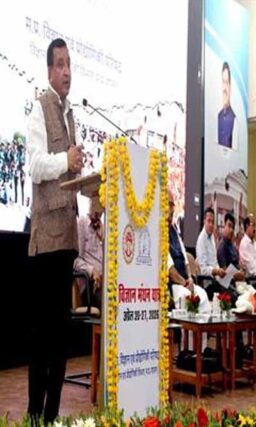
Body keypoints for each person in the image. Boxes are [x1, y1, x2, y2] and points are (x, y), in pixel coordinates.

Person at [26, 38, 84, 423]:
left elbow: (66, 172)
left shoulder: (70, 114)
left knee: (61, 339)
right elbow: (35, 166)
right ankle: (34, 416)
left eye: (69, 64)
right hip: (45, 241)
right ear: (49, 71)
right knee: (42, 339)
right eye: (59, 65)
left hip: (67, 238)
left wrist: (81, 174)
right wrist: (67, 160)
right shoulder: (40, 108)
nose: (66, 71)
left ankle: (51, 417)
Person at [168, 193, 209, 311]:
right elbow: (170, 270)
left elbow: (185, 260)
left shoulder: (175, 231)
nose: (171, 209)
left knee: (202, 295)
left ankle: (202, 324)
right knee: (186, 296)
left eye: (172, 205)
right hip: (174, 284)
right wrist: (184, 283)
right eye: (168, 204)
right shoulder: (159, 232)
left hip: (185, 281)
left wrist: (190, 279)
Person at [73, 197, 104, 308]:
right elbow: (76, 260)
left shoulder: (101, 227)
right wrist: (92, 271)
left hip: (104, 281)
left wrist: (103, 239)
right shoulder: (82, 222)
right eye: (95, 204)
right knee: (106, 302)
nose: (98, 211)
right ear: (90, 202)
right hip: (90, 283)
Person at [216, 213, 246, 287]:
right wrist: (237, 274)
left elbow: (238, 265)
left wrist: (242, 270)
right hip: (228, 284)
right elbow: (224, 274)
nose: (231, 230)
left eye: (233, 227)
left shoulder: (233, 247)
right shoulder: (222, 247)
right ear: (224, 226)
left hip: (239, 282)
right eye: (229, 226)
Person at [218, 62, 237, 149]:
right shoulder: (218, 117)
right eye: (223, 82)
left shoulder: (234, 119)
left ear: (230, 86)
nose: (224, 88)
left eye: (226, 82)